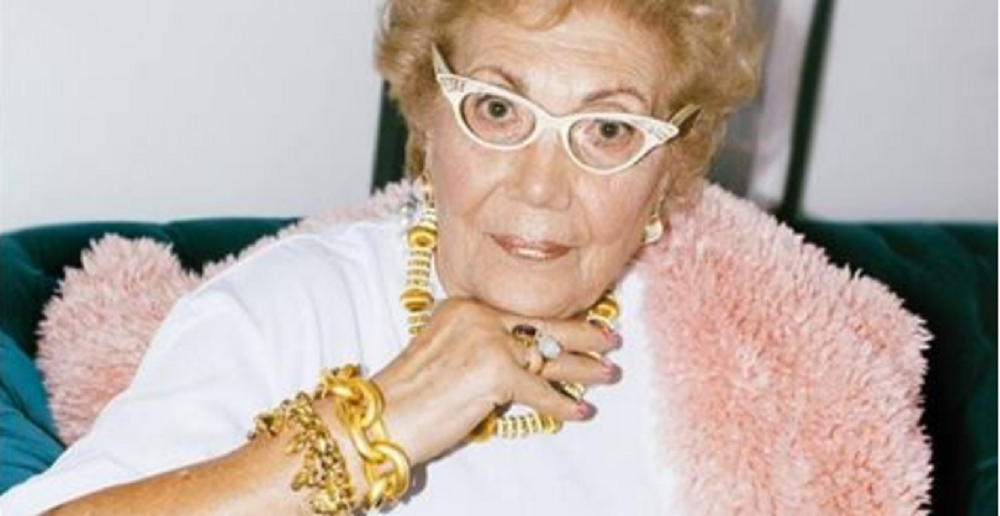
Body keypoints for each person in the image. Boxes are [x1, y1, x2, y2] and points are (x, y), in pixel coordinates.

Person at [0, 0, 932, 514]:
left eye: (608, 130)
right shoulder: (288, 311)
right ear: (428, 117)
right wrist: (371, 427)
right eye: (497, 109)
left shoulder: (750, 375)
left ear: (669, 172)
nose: (540, 186)